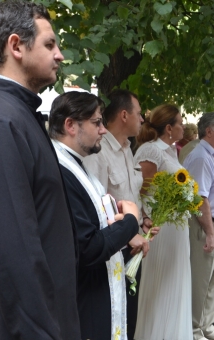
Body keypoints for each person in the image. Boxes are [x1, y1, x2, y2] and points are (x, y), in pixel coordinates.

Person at [0, 2, 81, 338]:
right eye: (50, 44)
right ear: (16, 46)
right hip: (8, 324)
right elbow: (13, 255)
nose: (60, 55)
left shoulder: (14, 114)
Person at [49, 91, 142, 339]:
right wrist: (131, 223)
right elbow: (87, 246)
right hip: (85, 298)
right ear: (70, 125)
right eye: (96, 122)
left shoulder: (74, 164)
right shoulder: (60, 171)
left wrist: (116, 220)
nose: (103, 130)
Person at [82, 89, 158, 339]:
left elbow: (129, 197)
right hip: (114, 248)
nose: (143, 119)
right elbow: (97, 205)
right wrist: (128, 235)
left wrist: (142, 221)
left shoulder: (128, 149)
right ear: (124, 115)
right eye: (139, 113)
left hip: (133, 242)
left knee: (129, 315)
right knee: (116, 316)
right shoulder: (99, 151)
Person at [134, 104, 192, 340]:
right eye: (180, 122)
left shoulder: (171, 151)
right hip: (161, 226)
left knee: (176, 283)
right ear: (169, 127)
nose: (184, 126)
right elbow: (143, 191)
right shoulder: (150, 150)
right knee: (160, 285)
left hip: (177, 227)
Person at [183, 111, 214, 340]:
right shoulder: (201, 156)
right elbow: (199, 199)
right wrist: (210, 232)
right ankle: (193, 329)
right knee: (201, 281)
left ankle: (207, 325)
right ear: (209, 131)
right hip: (206, 225)